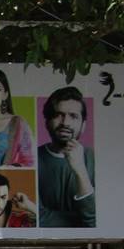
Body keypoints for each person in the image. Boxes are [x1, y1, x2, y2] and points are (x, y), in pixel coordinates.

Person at [37, 86, 97, 227]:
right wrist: (79, 220)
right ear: (47, 123)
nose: (65, 122)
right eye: (58, 115)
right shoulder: (33, 158)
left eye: (73, 116)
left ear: (83, 125)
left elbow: (94, 221)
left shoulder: (95, 159)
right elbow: (37, 218)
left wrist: (80, 170)